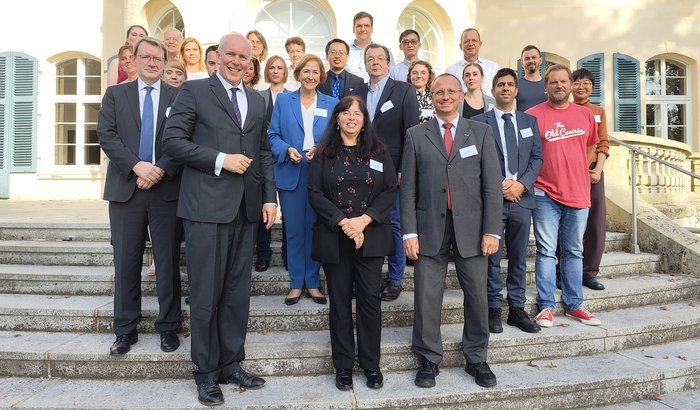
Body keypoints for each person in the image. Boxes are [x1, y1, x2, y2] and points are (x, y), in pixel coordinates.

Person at [162, 32, 276, 406]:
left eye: (244, 57)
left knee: (236, 295)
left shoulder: (259, 100)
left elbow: (262, 151)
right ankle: (206, 373)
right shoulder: (194, 91)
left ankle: (231, 363)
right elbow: (173, 142)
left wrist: (269, 198)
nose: (237, 61)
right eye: (231, 54)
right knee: (207, 294)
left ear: (251, 62)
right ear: (218, 56)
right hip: (205, 210)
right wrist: (219, 159)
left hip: (246, 209)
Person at [401, 73, 502, 389]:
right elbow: (408, 190)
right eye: (438, 92)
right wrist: (409, 233)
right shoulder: (416, 135)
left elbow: (491, 187)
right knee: (427, 297)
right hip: (430, 227)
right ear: (431, 97)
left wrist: (492, 231)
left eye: (450, 92)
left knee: (476, 296)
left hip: (472, 230)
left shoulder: (481, 133)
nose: (444, 96)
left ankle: (476, 357)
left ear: (461, 96)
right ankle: (429, 358)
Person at [97, 37, 182, 357]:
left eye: (157, 58)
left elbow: (183, 138)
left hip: (166, 190)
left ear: (164, 62)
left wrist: (159, 169)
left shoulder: (179, 95)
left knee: (168, 260)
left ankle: (169, 326)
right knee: (126, 262)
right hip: (125, 189)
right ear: (132, 60)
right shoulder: (115, 95)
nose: (151, 62)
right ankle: (124, 329)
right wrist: (136, 166)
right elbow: (106, 135)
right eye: (144, 57)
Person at [308, 95, 397, 392]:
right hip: (336, 237)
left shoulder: (378, 151)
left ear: (364, 120)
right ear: (336, 118)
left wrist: (364, 220)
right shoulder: (324, 154)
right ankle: (344, 365)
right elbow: (315, 193)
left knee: (370, 302)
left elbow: (388, 192)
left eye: (357, 113)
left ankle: (371, 363)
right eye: (346, 112)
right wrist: (345, 222)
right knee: (340, 303)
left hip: (370, 236)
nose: (351, 117)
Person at [525, 64, 601, 328]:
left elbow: (591, 147)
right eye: (553, 82)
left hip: (578, 192)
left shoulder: (585, 115)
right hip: (545, 191)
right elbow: (527, 154)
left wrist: (579, 169)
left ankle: (574, 303)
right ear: (545, 86)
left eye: (563, 82)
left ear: (570, 84)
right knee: (546, 251)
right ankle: (545, 305)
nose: (559, 86)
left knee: (574, 251)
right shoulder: (532, 116)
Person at [472, 68, 543, 334]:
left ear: (516, 90)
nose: (505, 88)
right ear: (493, 91)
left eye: (510, 84)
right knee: (490, 256)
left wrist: (521, 185)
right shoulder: (480, 122)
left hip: (522, 200)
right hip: (493, 200)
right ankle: (492, 306)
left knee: (518, 257)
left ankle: (516, 308)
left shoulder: (529, 122)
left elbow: (537, 158)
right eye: (500, 84)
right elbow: (475, 160)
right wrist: (499, 185)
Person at [350, 43, 419, 301]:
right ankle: (366, 278)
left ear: (389, 63)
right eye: (370, 58)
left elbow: (411, 133)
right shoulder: (355, 92)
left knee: (395, 224)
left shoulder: (403, 91)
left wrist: (404, 169)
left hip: (393, 171)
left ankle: (394, 279)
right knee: (363, 223)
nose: (375, 62)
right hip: (359, 169)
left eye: (380, 58)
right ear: (365, 63)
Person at [268, 54, 338, 305]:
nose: (310, 76)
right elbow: (272, 135)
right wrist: (287, 149)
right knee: (295, 230)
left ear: (321, 76)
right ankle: (296, 283)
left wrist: (320, 149)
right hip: (291, 171)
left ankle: (314, 283)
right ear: (298, 74)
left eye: (315, 72)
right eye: (306, 72)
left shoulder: (332, 103)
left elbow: (338, 137)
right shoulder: (284, 101)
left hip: (320, 174)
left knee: (316, 229)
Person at [572, 68, 610, 291]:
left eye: (586, 83)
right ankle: (562, 270)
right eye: (577, 82)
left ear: (592, 87)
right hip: (568, 172)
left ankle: (589, 272)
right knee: (566, 222)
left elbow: (603, 142)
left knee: (595, 222)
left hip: (592, 170)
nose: (581, 87)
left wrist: (598, 169)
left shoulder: (598, 111)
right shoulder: (563, 109)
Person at [254, 55, 291, 273]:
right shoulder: (258, 97)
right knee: (265, 208)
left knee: (288, 211)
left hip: (286, 157)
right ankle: (263, 254)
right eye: (272, 67)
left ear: (285, 71)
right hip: (263, 158)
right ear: (267, 71)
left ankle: (288, 253)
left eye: (280, 67)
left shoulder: (292, 97)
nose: (276, 71)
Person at [445, 28, 499, 96]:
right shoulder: (451, 71)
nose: (470, 44)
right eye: (466, 41)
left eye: (474, 40)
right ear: (460, 46)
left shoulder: (493, 67)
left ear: (480, 44)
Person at [346, 11, 394, 82]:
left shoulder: (384, 51)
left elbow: (392, 75)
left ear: (372, 29)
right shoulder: (344, 51)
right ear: (353, 29)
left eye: (366, 26)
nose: (363, 29)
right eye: (359, 26)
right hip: (349, 92)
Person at [516, 45, 547, 112]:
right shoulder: (516, 86)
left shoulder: (548, 84)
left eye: (534, 57)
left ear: (540, 60)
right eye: (527, 58)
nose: (531, 60)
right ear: (522, 63)